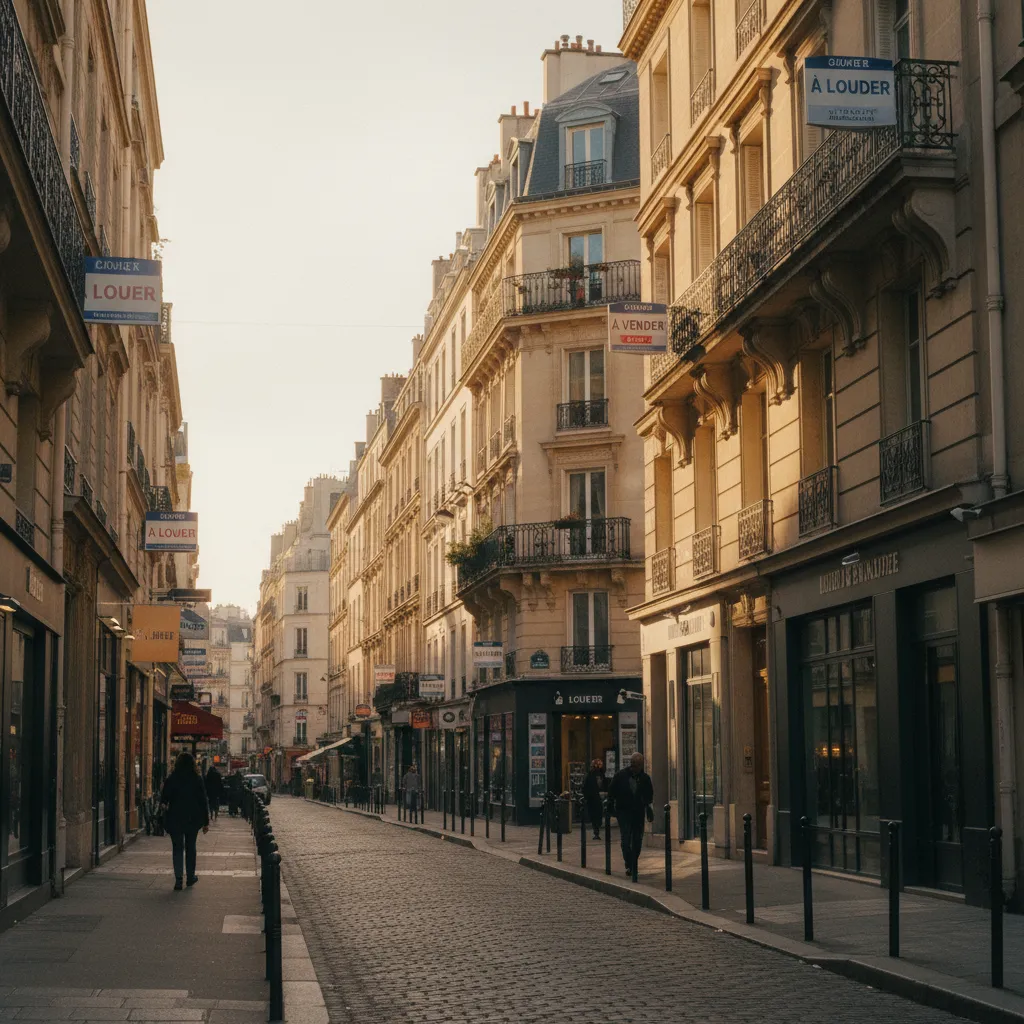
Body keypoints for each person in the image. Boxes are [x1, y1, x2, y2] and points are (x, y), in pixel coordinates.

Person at [160, 752, 210, 890]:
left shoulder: (172, 778)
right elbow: (203, 801)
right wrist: (206, 821)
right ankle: (190, 877)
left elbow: (164, 798)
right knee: (190, 847)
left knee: (177, 848)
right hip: (192, 818)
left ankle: (178, 879)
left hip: (175, 817)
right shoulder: (196, 779)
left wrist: (164, 806)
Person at [605, 752, 654, 878]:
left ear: (641, 765)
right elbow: (611, 791)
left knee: (637, 840)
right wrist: (611, 805)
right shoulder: (621, 776)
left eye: (638, 765)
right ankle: (629, 863)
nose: (635, 767)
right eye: (633, 764)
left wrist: (648, 807)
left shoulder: (645, 778)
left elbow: (649, 796)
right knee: (626, 839)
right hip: (624, 811)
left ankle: (633, 863)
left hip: (638, 812)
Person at [582, 758, 606, 841]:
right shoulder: (600, 775)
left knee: (595, 815)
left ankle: (596, 831)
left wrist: (586, 797)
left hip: (593, 798)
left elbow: (584, 787)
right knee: (597, 815)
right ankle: (596, 831)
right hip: (596, 798)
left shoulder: (590, 775)